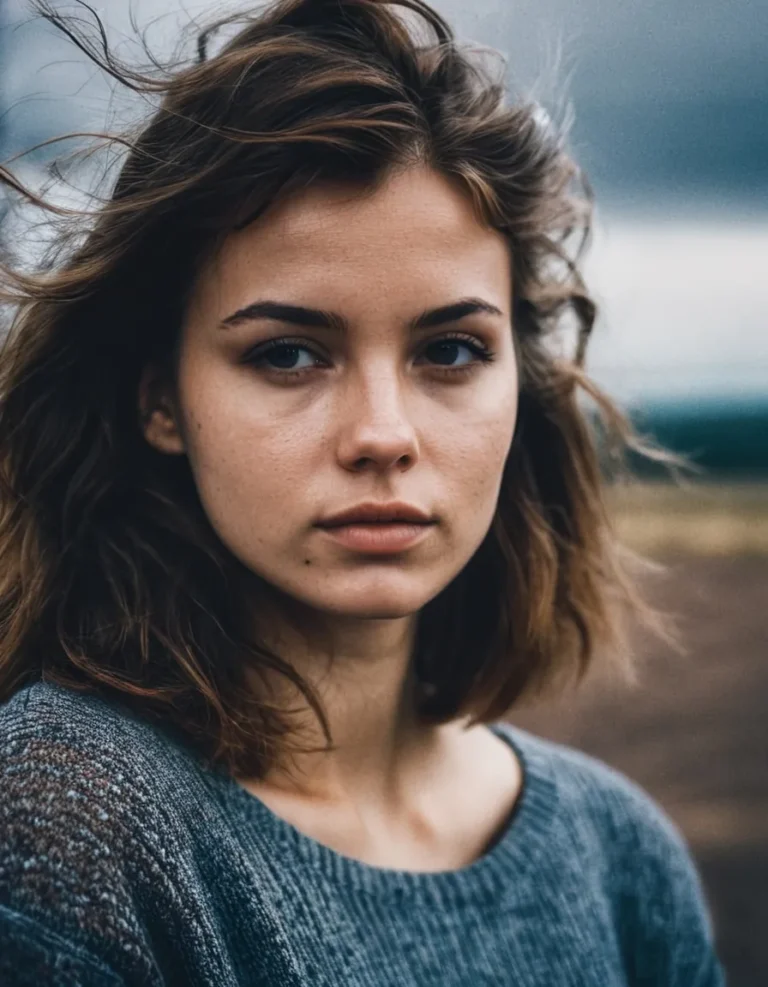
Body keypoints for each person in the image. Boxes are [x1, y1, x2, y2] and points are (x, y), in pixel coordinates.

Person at [0, 0, 725, 984]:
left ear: (522, 381)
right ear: (159, 398)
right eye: (289, 353)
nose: (384, 434)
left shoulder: (619, 858)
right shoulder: (68, 819)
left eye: (451, 350)